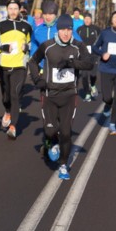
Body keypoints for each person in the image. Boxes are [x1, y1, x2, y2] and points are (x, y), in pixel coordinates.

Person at [28, 14, 93, 180]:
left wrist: (72, 64)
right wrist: (37, 80)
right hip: (49, 95)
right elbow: (33, 62)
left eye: (69, 29)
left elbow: (89, 63)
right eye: (63, 29)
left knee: (66, 133)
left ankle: (63, 164)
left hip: (69, 96)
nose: (66, 33)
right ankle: (53, 142)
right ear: (58, 29)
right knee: (50, 131)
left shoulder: (78, 46)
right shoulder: (48, 46)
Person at [0, 0, 33, 139]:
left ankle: (13, 126)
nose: (13, 11)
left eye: (15, 8)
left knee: (15, 94)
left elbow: (32, 44)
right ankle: (7, 111)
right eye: (10, 9)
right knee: (6, 97)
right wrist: (2, 47)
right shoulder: (0, 25)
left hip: (20, 66)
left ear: (19, 10)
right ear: (7, 10)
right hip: (3, 65)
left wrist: (27, 47)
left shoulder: (27, 26)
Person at [76, 12, 101, 102]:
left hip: (94, 55)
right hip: (83, 56)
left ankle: (93, 85)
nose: (87, 20)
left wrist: (99, 50)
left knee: (93, 74)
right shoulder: (79, 29)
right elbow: (75, 41)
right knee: (84, 75)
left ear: (91, 19)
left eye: (89, 18)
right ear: (83, 20)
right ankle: (87, 93)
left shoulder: (96, 29)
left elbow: (101, 40)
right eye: (85, 18)